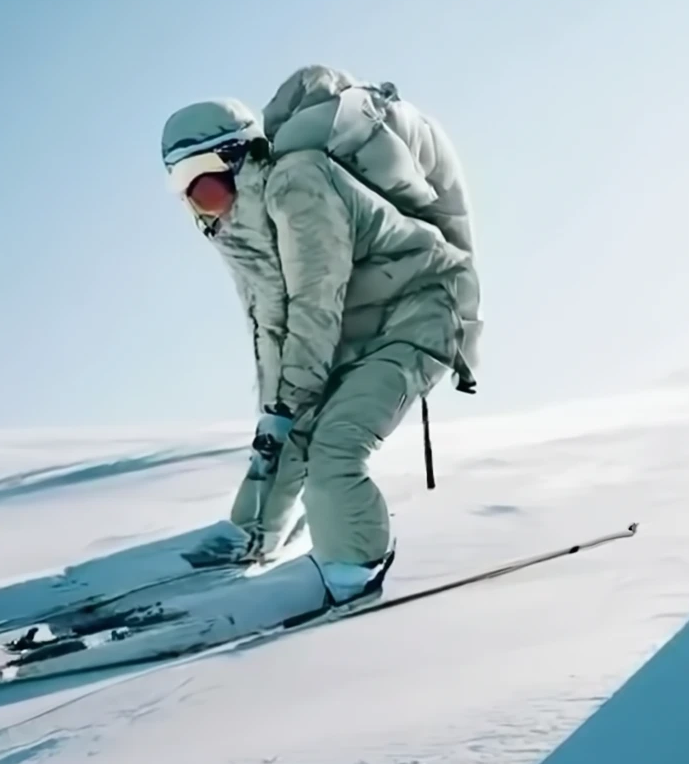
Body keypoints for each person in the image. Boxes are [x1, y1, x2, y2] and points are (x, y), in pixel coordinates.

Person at [160, 65, 482, 605]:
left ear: (237, 158)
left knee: (333, 452)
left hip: (419, 315)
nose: (203, 207)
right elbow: (271, 326)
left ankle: (356, 570)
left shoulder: (297, 183)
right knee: (286, 438)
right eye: (189, 195)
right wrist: (274, 413)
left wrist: (289, 402)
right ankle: (251, 541)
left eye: (208, 187)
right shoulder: (245, 233)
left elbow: (315, 299)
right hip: (358, 330)